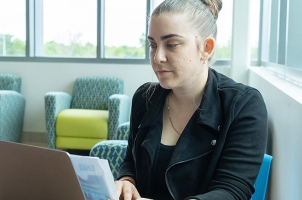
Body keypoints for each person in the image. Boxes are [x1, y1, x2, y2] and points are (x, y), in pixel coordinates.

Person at [114, 0, 267, 199]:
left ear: (206, 47)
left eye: (171, 45)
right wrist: (127, 181)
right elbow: (131, 162)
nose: (157, 57)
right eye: (153, 45)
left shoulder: (243, 105)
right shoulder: (144, 98)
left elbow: (232, 192)